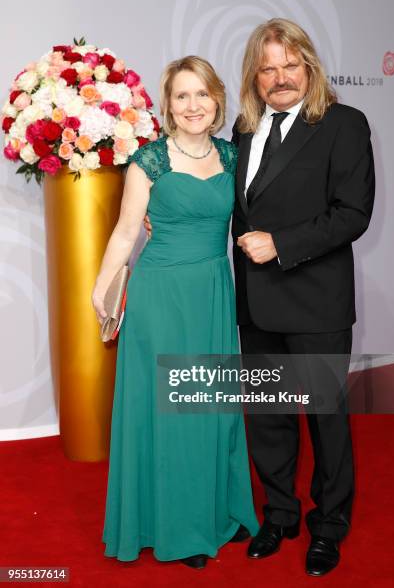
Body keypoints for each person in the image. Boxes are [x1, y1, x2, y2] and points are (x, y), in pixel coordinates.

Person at [92, 55, 259, 570]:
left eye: (202, 95)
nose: (193, 105)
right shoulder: (149, 161)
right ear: (168, 105)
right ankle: (168, 525)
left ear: (217, 101)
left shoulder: (234, 156)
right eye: (182, 96)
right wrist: (101, 294)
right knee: (167, 411)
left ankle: (206, 515)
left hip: (211, 294)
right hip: (160, 298)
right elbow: (125, 231)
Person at [231, 18, 375, 576]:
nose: (280, 76)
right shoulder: (244, 130)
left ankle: (329, 524)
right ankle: (281, 515)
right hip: (256, 303)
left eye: (290, 64)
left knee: (326, 418)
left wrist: (283, 245)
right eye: (267, 67)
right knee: (268, 417)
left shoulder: (344, 124)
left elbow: (353, 214)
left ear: (309, 66)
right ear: (255, 76)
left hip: (316, 299)